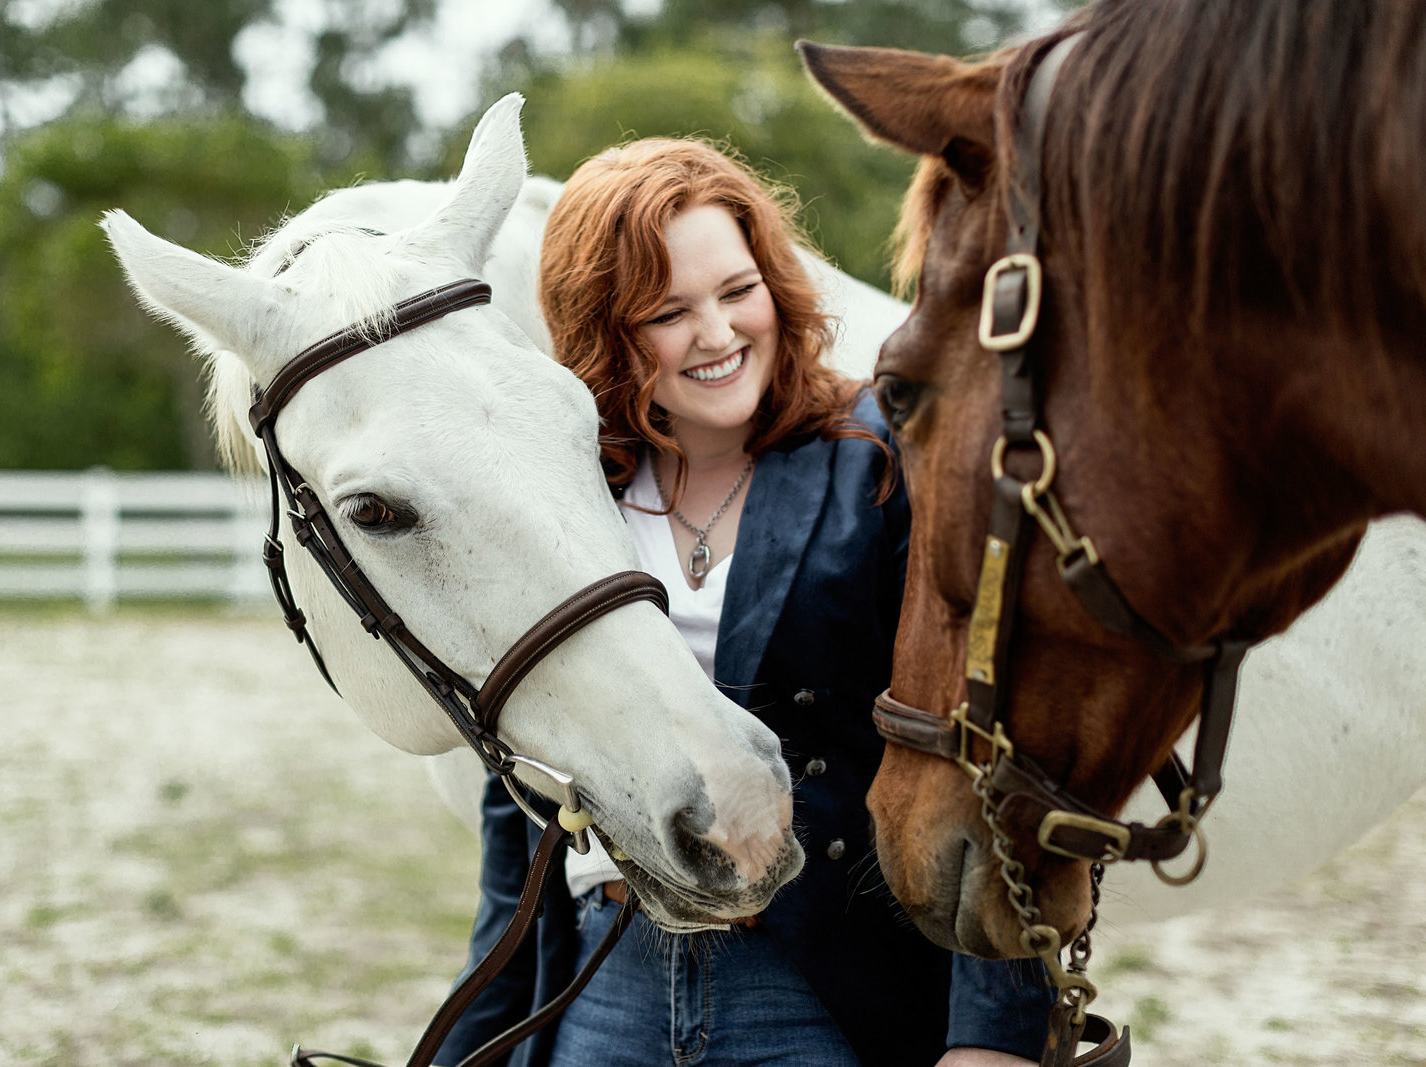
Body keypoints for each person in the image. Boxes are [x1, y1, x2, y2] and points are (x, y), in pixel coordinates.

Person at [436, 138, 1052, 1067]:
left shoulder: (881, 457)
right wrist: (475, 1036)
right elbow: (516, 782)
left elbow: (986, 733)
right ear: (603, 324)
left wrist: (994, 1035)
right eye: (669, 312)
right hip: (604, 976)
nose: (719, 334)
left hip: (823, 987)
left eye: (738, 290)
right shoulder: (567, 493)